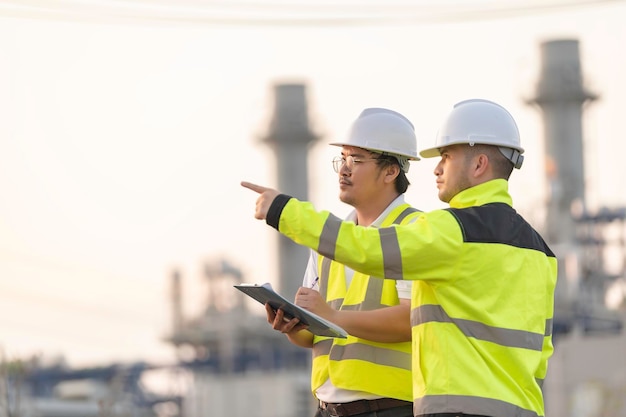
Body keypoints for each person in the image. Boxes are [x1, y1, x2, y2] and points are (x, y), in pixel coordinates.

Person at [242, 99, 557, 417]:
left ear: (478, 165)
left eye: (446, 157)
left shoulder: (448, 230)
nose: (436, 168)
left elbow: (367, 251)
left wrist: (285, 211)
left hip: (449, 408)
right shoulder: (542, 252)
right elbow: (542, 348)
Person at [267, 108, 421, 417]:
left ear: (391, 171)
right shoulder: (328, 241)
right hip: (328, 408)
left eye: (357, 161)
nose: (344, 170)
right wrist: (292, 326)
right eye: (343, 159)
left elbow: (411, 320)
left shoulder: (416, 232)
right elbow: (314, 334)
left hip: (392, 408)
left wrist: (333, 317)